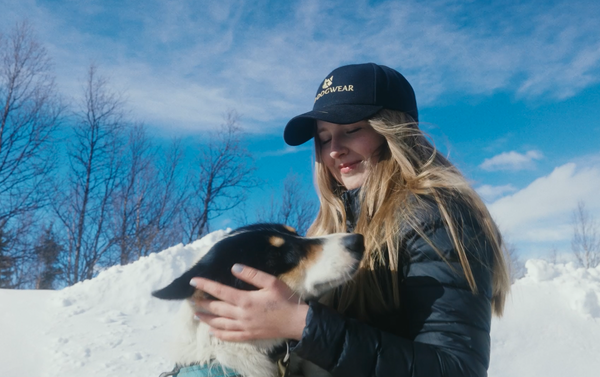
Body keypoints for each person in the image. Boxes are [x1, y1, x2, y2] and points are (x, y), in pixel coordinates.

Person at [190, 63, 511, 377]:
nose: (334, 150)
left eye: (352, 130)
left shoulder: (438, 217)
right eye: (324, 137)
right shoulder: (336, 223)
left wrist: (300, 324)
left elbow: (456, 368)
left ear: (394, 130)